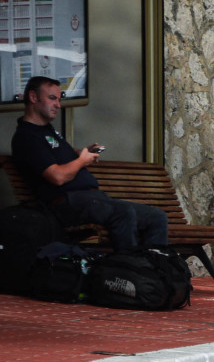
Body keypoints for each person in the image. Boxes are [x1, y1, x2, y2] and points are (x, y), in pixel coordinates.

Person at [10, 76, 168, 249]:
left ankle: (154, 270)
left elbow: (58, 156)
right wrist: (82, 160)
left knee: (156, 216)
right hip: (66, 203)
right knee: (123, 213)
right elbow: (57, 176)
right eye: (52, 98)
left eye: (59, 99)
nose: (58, 105)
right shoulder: (27, 137)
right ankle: (129, 270)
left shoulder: (46, 131)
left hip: (91, 200)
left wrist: (82, 153)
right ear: (33, 98)